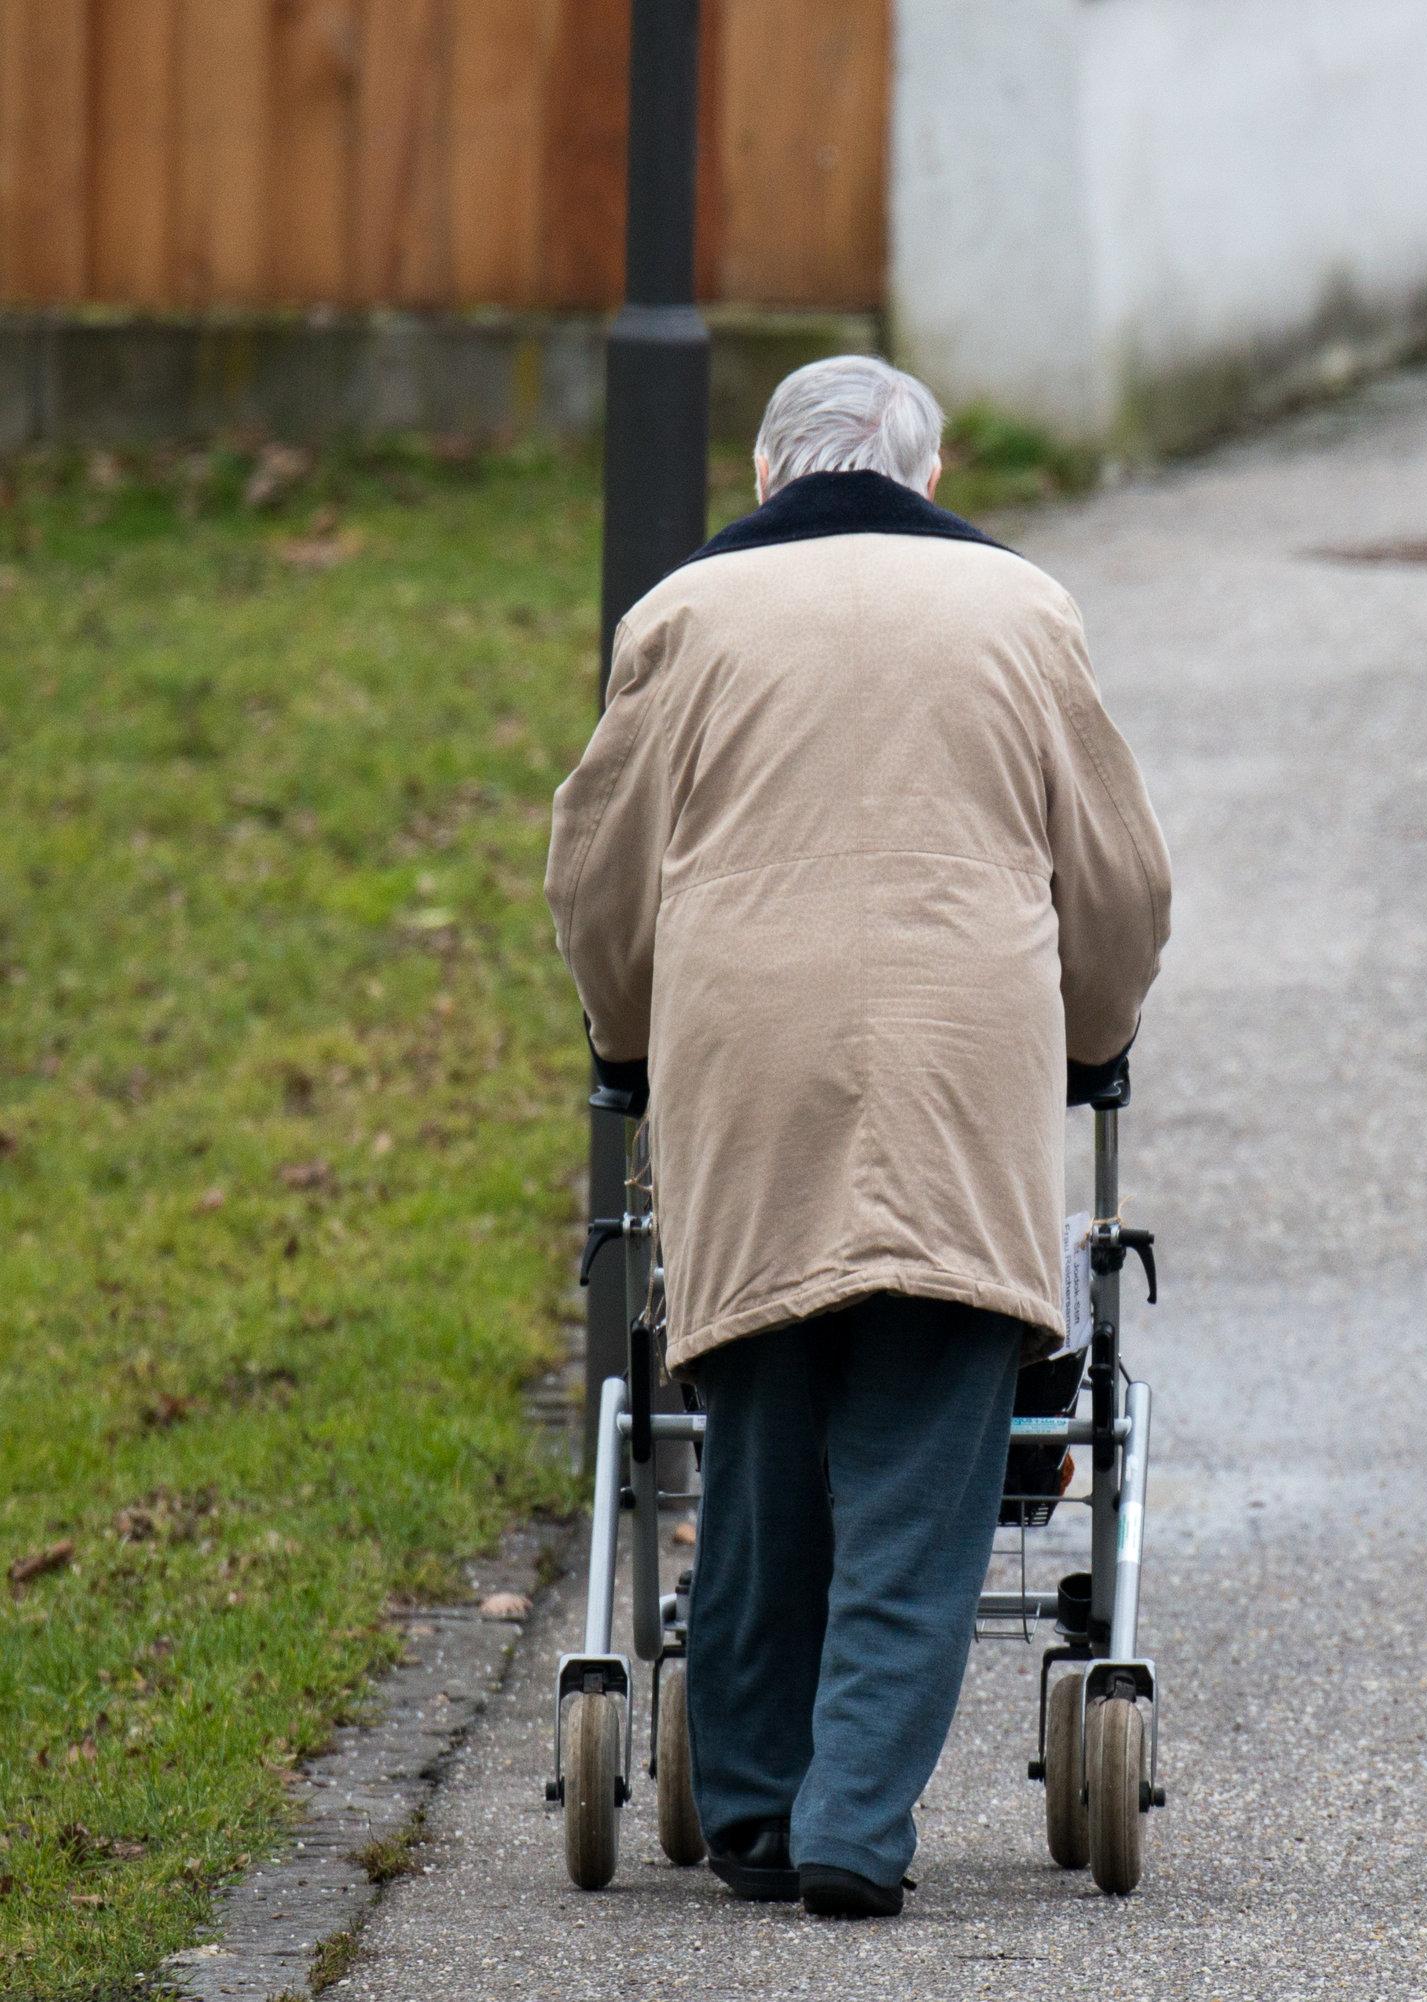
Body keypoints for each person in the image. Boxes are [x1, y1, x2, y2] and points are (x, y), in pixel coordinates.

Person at [543, 356, 1170, 1919]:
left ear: (769, 476)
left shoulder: (682, 619)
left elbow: (601, 875)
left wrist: (624, 1035)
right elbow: (1116, 883)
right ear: (931, 468)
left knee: (758, 1436)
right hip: (962, 1063)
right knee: (923, 1462)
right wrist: (1098, 1035)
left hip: (747, 1060)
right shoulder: (1022, 613)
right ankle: (852, 1825)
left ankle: (751, 1806)